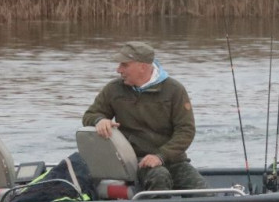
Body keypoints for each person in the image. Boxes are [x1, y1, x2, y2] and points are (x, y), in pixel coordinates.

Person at [83, 41, 206, 192]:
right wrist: (99, 120)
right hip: (136, 162)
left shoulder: (175, 90)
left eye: (124, 65)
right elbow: (90, 115)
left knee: (202, 191)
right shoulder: (113, 89)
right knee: (159, 177)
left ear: (142, 67)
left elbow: (186, 131)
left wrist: (160, 156)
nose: (118, 70)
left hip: (174, 161)